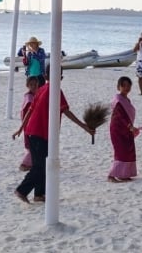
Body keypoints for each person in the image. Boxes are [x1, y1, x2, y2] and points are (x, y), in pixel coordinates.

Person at [12, 65, 94, 203]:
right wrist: (84, 127)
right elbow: (66, 112)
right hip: (39, 133)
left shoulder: (41, 89)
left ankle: (39, 194)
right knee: (40, 166)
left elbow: (31, 111)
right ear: (60, 77)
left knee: (44, 164)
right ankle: (21, 190)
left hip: (36, 132)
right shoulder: (54, 91)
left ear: (45, 76)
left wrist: (21, 128)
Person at [108, 76, 139, 183]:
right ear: (118, 87)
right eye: (123, 85)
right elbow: (121, 116)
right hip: (118, 129)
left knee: (128, 150)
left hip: (126, 129)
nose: (126, 87)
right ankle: (111, 175)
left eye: (128, 85)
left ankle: (123, 175)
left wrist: (130, 127)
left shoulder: (126, 99)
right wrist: (130, 126)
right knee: (120, 151)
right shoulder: (118, 100)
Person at [16, 76, 39, 172]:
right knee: (32, 146)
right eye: (31, 85)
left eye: (35, 84)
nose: (33, 86)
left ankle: (31, 164)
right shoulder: (29, 98)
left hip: (33, 125)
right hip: (30, 125)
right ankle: (24, 164)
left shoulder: (35, 95)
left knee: (34, 146)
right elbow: (27, 113)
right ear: (27, 86)